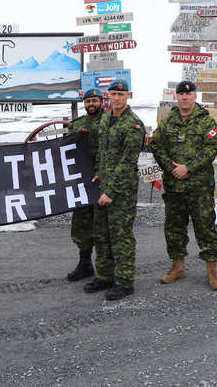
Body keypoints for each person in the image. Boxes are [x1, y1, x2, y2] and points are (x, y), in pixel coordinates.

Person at [150, 81, 217, 290]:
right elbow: (155, 145)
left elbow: (212, 148)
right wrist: (170, 167)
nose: (184, 97)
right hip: (174, 186)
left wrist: (188, 168)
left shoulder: (206, 122)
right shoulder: (167, 122)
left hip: (199, 186)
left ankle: (212, 270)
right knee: (174, 228)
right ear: (177, 97)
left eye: (188, 94)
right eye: (181, 94)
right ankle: (178, 266)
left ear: (194, 96)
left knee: (205, 227)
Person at [84, 79, 146, 301]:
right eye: (113, 95)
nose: (116, 99)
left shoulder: (134, 125)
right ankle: (105, 276)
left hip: (121, 191)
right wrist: (100, 173)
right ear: (108, 96)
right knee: (101, 234)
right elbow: (104, 153)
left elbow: (127, 162)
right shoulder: (105, 121)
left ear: (128, 95)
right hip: (103, 187)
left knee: (121, 236)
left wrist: (110, 191)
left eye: (121, 95)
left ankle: (124, 281)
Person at [65, 88, 103, 281]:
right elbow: (65, 150)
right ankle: (85, 263)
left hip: (103, 182)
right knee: (81, 224)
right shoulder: (76, 125)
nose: (91, 104)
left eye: (94, 101)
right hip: (83, 183)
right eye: (88, 101)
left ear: (101, 102)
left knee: (103, 225)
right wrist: (74, 137)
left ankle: (105, 269)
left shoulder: (110, 121)